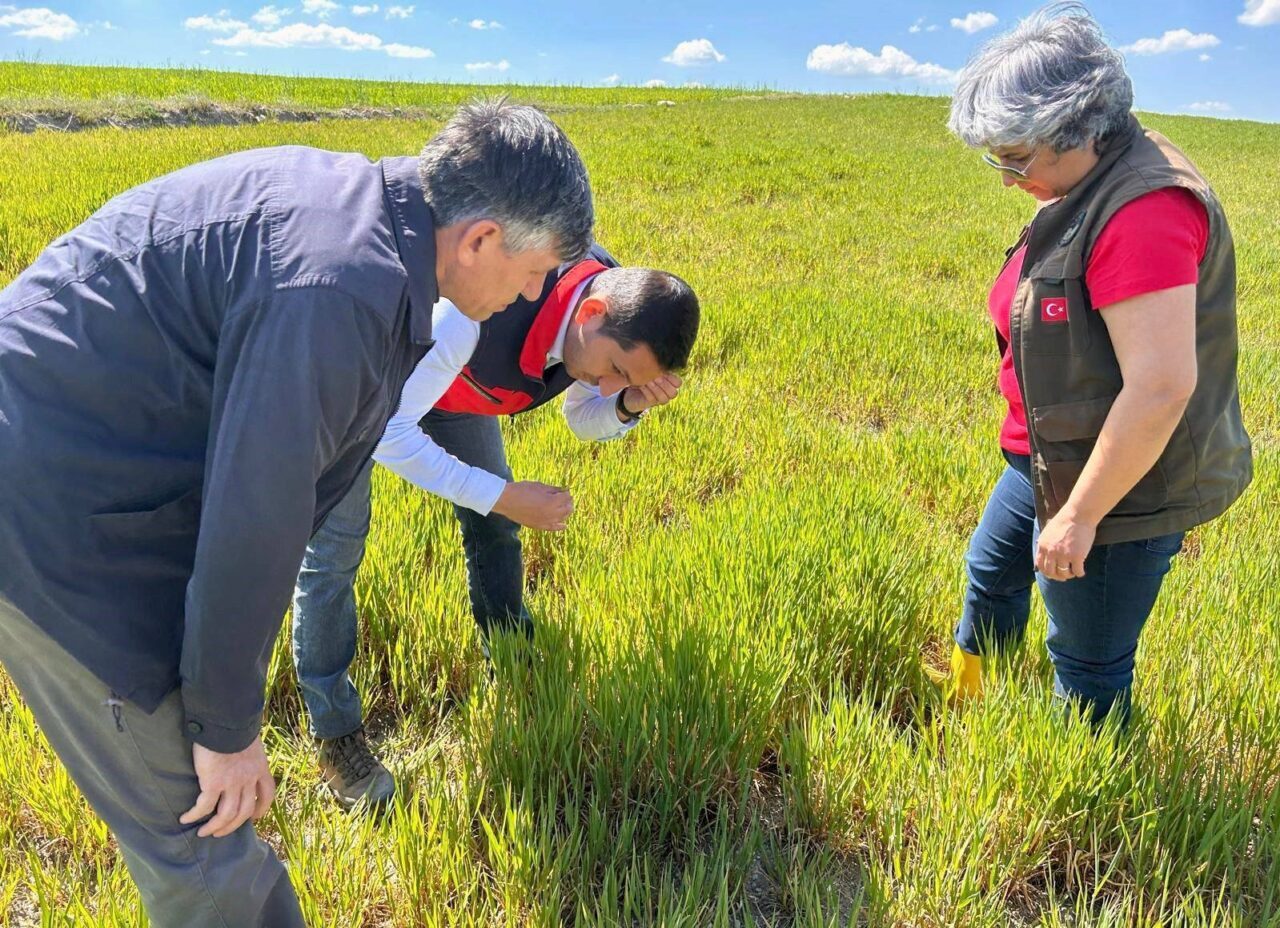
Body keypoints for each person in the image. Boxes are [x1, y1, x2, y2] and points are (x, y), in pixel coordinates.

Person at [0, 100, 593, 926]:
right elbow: (257, 514)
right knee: (204, 844)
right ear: (481, 239)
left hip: (87, 460)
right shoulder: (341, 291)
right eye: (536, 271)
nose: (533, 293)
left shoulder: (361, 224)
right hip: (51, 509)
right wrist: (225, 728)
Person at [291, 244, 700, 810]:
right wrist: (504, 496)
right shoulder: (473, 312)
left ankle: (510, 656)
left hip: (453, 380)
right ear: (591, 314)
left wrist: (628, 403)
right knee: (335, 554)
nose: (608, 385)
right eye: (617, 372)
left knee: (495, 524)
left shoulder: (605, 311)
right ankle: (336, 736)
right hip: (359, 378)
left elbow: (582, 417)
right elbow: (387, 432)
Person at [940, 2, 1252, 726]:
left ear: (1079, 128)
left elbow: (1161, 387)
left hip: (1118, 484)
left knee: (1086, 659)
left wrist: (1079, 518)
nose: (1007, 178)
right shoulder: (1086, 180)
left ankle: (1082, 777)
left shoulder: (1144, 212)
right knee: (990, 575)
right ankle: (969, 703)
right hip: (1048, 454)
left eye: (1017, 157)